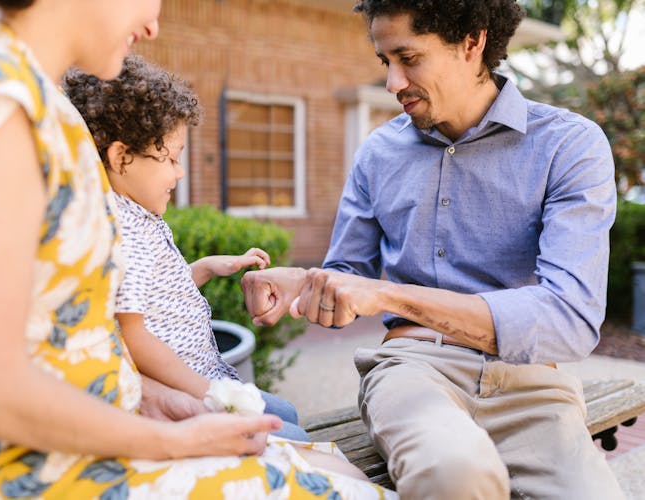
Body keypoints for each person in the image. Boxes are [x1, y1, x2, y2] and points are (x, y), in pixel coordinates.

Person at [0, 0, 394, 497]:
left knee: (341, 472)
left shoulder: (35, 103)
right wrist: (169, 440)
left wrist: (151, 399)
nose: (154, 24)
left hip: (89, 443)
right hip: (26, 471)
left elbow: (64, 337)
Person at [241, 0, 625, 498]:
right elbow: (347, 273)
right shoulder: (378, 153)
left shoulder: (568, 146)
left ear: (472, 42)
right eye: (386, 62)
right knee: (456, 473)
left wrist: (391, 296)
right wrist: (307, 284)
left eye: (409, 58)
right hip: (412, 369)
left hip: (533, 385)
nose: (392, 84)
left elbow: (569, 319)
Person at [62, 56, 309, 441]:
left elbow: (152, 296)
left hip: (205, 376)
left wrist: (207, 267)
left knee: (288, 412)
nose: (179, 172)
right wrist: (208, 394)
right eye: (171, 159)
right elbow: (134, 337)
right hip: (186, 392)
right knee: (295, 436)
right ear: (120, 156)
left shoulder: (135, 214)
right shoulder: (126, 230)